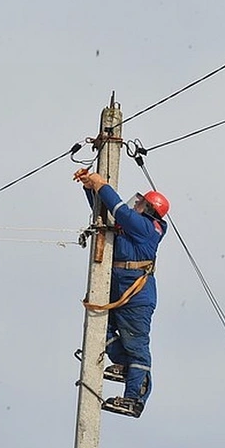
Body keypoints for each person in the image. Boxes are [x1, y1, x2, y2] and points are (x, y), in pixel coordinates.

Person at [74, 169, 169, 418]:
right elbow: (106, 212)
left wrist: (101, 184)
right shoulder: (133, 226)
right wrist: (90, 188)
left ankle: (134, 399)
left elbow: (119, 210)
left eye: (141, 203)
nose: (136, 204)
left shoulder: (148, 227)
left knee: (137, 346)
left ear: (150, 210)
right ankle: (125, 366)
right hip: (117, 291)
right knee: (99, 330)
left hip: (136, 298)